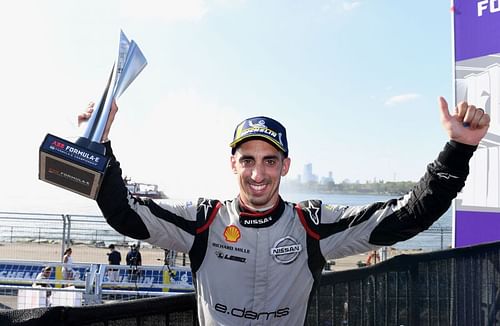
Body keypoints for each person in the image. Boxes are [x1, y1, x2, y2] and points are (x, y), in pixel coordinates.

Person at [79, 97, 490, 325]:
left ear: (286, 166)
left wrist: (458, 149)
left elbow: (407, 217)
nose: (258, 173)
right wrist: (99, 142)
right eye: (248, 159)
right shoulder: (203, 219)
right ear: (233, 164)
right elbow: (125, 213)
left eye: (270, 160)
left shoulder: (313, 224)